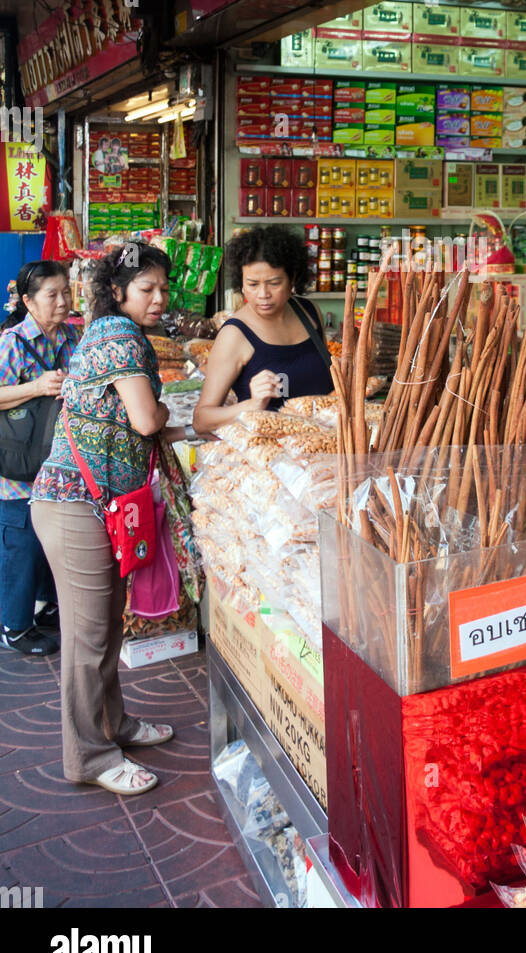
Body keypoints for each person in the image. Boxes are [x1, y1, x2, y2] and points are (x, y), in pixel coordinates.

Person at [31, 244, 189, 796]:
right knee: (88, 638)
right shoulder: (120, 337)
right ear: (117, 291)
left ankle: (113, 725)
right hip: (75, 505)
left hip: (96, 505)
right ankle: (89, 756)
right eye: (147, 289)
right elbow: (147, 418)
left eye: (164, 288)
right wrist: (168, 414)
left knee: (106, 624)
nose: (159, 298)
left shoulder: (107, 332)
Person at [0, 262, 78, 655]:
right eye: (53, 295)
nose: (64, 301)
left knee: (49, 536)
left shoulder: (69, 336)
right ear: (29, 301)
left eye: (67, 292)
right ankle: (13, 625)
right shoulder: (12, 343)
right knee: (21, 544)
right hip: (15, 466)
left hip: (53, 459)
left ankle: (45, 606)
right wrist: (35, 387)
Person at [193, 225, 333, 433]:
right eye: (252, 284)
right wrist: (251, 405)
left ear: (292, 279)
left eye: (274, 283)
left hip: (325, 449)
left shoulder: (310, 314)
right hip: (271, 458)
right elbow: (201, 420)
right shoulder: (234, 334)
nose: (263, 294)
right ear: (241, 283)